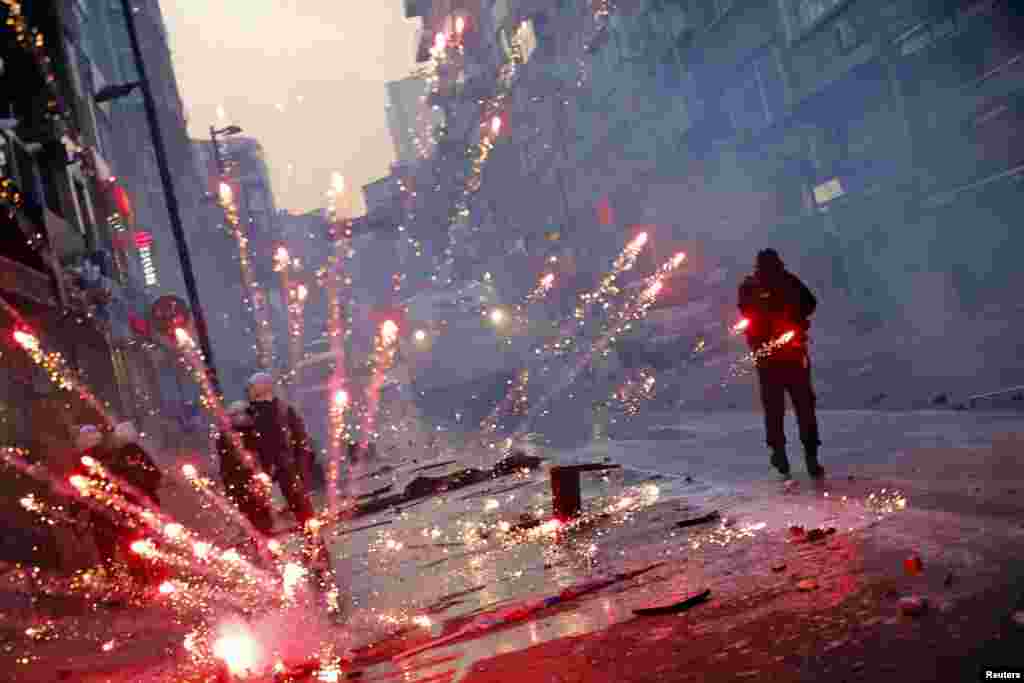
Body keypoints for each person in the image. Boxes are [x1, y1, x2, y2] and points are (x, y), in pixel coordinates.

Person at [738, 249, 824, 481]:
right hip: (792, 354)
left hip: (768, 357)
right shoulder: (788, 281)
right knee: (804, 405)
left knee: (774, 408)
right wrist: (794, 317)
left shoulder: (750, 286)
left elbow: (744, 312)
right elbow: (811, 303)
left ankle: (779, 453)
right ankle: (811, 456)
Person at [245, 373, 317, 528]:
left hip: (286, 469)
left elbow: (299, 437)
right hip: (271, 472)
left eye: (252, 386)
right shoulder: (252, 414)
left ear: (264, 386)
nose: (249, 390)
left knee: (302, 511)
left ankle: (315, 545)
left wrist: (302, 462)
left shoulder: (280, 409)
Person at [217, 401, 274, 536]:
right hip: (241, 482)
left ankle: (263, 533)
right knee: (253, 514)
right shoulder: (228, 436)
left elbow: (263, 454)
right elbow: (229, 463)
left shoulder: (251, 432)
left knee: (261, 513)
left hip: (252, 481)